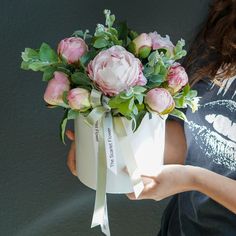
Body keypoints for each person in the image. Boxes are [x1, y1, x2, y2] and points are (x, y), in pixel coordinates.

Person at [66, 0, 236, 235]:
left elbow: (197, 171)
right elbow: (196, 141)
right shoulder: (225, 30)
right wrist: (104, 140)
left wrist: (193, 179)